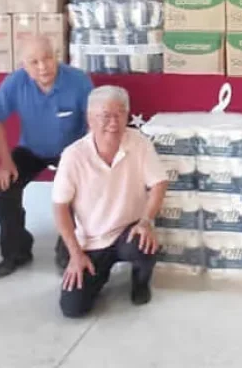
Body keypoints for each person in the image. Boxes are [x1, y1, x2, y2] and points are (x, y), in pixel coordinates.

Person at [54, 86, 169, 318]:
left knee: (144, 243)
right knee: (73, 309)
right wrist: (76, 254)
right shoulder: (73, 156)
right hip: (90, 240)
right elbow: (60, 207)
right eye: (105, 116)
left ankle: (140, 283)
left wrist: (146, 221)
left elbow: (159, 183)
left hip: (127, 231)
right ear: (89, 119)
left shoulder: (139, 143)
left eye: (120, 114)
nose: (114, 122)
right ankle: (80, 263)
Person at [0, 35, 94, 278]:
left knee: (79, 188)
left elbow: (94, 122)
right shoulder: (15, 82)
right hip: (31, 149)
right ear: (23, 65)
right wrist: (5, 162)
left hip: (71, 151)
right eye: (34, 62)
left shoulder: (78, 81)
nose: (43, 66)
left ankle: (67, 248)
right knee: (4, 188)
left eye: (47, 58)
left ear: (56, 56)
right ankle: (16, 252)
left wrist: (87, 159)